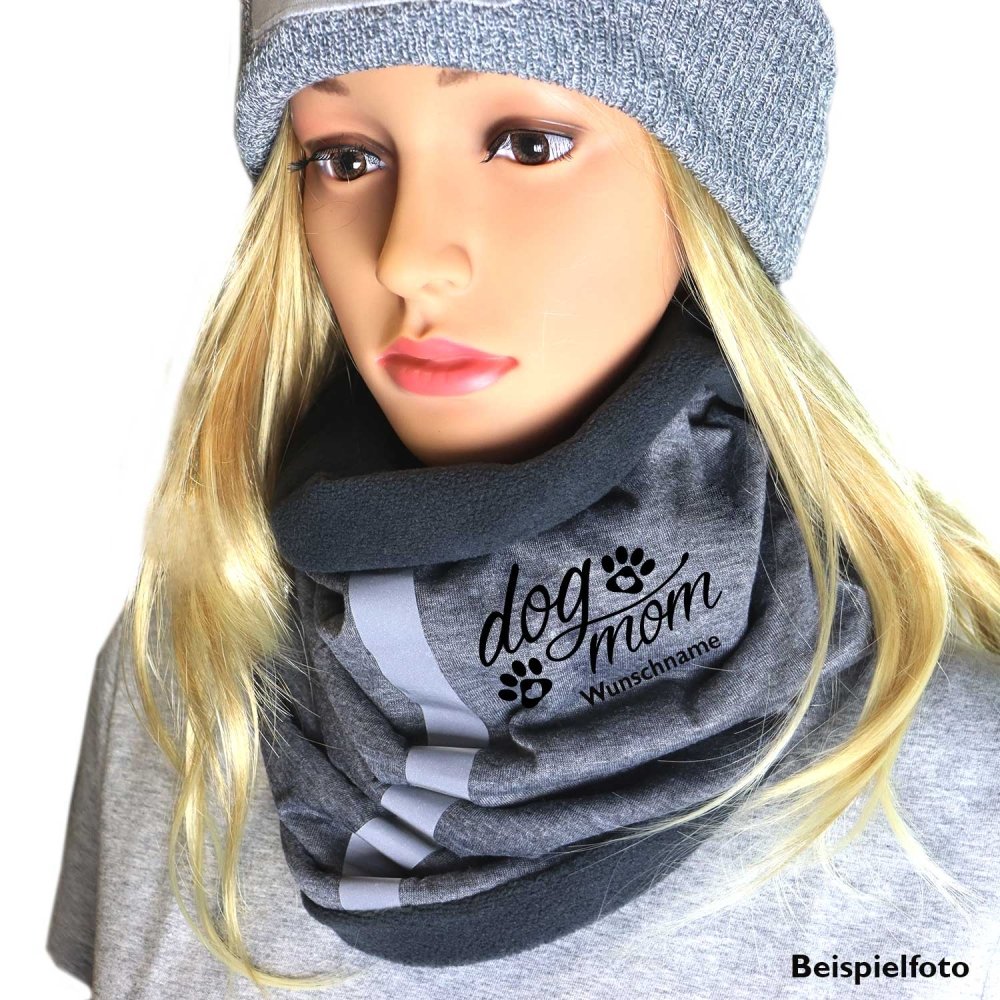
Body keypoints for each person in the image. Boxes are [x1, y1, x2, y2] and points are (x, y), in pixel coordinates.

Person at [47, 1, 1000, 997]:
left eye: (528, 145)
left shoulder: (965, 784)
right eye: (345, 159)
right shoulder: (189, 679)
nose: (407, 255)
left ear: (711, 191)